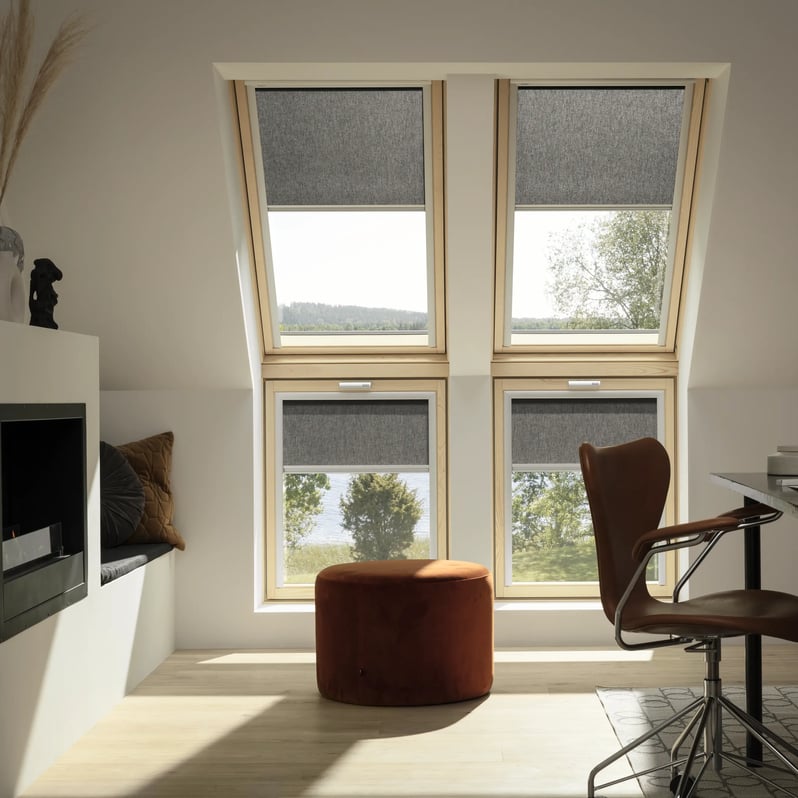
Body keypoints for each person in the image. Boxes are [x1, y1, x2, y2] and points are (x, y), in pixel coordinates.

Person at [29, 257, 63, 329]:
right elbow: (32, 296)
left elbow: (59, 275)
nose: (53, 279)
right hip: (40, 308)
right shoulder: (39, 279)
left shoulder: (46, 285)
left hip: (42, 308)